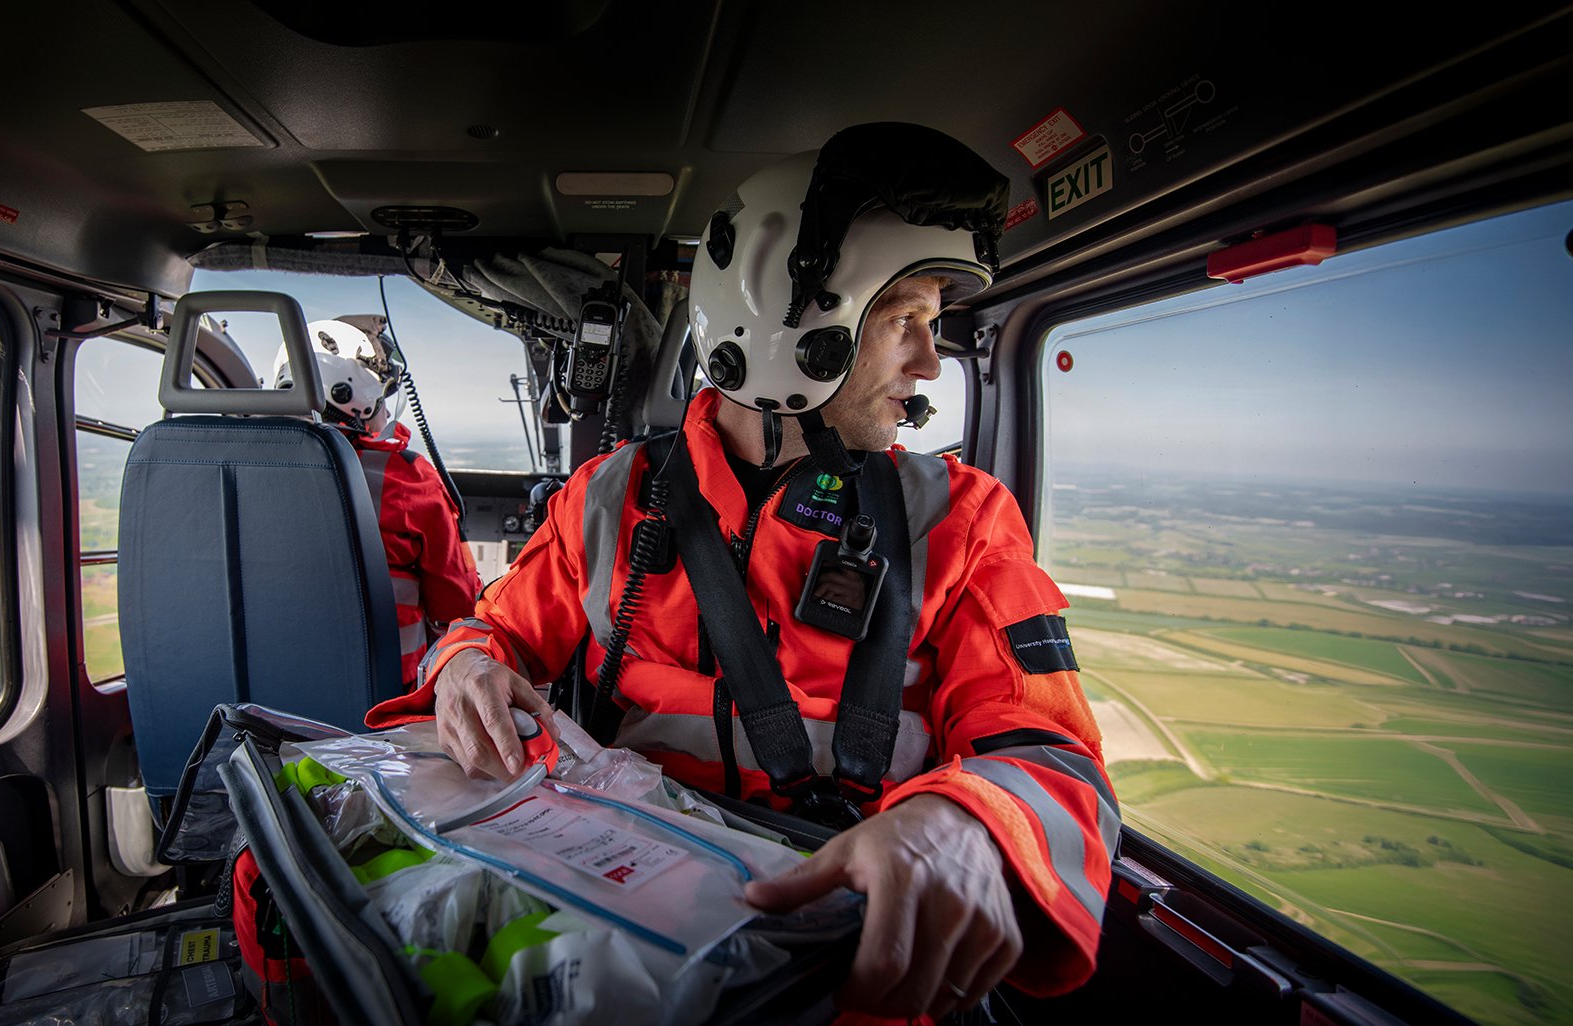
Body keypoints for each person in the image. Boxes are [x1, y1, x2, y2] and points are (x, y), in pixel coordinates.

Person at [367, 122, 1118, 1023]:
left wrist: (974, 826)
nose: (928, 362)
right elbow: (495, 627)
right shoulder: (607, 499)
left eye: (935, 326)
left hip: (847, 952)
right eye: (904, 319)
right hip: (609, 910)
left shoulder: (962, 521)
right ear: (794, 326)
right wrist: (465, 666)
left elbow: (1050, 753)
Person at [271, 316, 481, 690]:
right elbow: (455, 605)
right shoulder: (407, 478)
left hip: (262, 688)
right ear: (354, 398)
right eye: (381, 397)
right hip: (381, 699)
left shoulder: (240, 467)